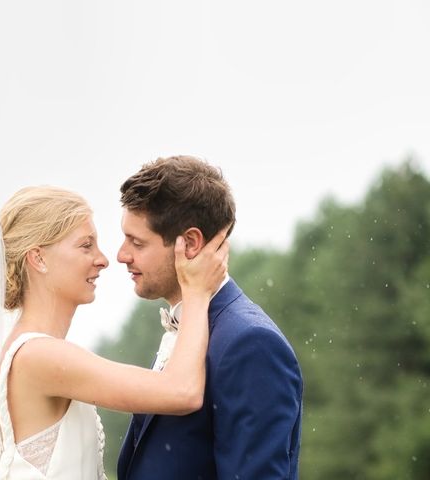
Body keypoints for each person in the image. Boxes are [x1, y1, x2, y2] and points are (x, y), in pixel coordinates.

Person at [0, 185, 230, 480]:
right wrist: (197, 292)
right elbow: (182, 392)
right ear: (38, 258)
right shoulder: (39, 356)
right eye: (86, 246)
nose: (103, 260)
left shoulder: (33, 350)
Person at [116, 156, 303, 480]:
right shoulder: (191, 328)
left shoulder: (250, 343)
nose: (122, 255)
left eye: (137, 242)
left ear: (189, 243)